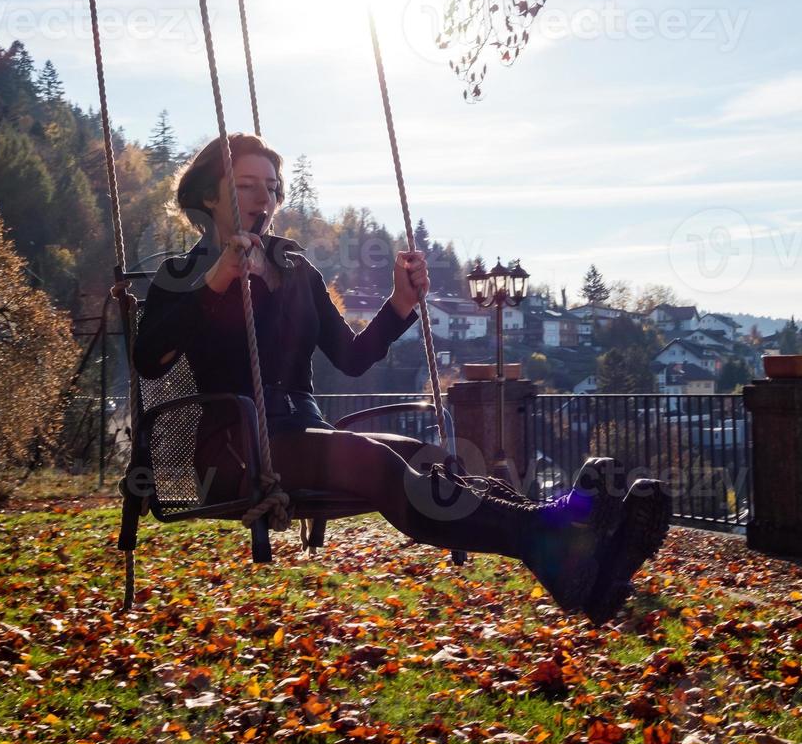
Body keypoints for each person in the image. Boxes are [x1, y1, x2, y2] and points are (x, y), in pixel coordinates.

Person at [131, 133, 669, 624]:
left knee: (422, 460)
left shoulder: (296, 271)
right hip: (235, 449)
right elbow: (150, 359)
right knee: (381, 465)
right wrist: (219, 280)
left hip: (299, 430)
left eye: (271, 188)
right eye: (245, 186)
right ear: (209, 196)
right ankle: (564, 543)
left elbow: (353, 356)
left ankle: (572, 543)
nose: (262, 199)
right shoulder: (181, 276)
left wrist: (400, 305)